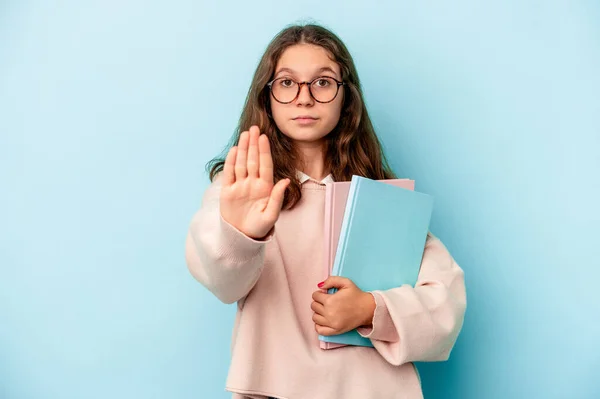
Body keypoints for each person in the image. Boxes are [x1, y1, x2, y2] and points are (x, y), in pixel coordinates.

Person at [185, 23, 467, 399]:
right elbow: (221, 280)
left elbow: (445, 305)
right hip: (274, 389)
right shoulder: (242, 190)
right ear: (266, 97)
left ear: (345, 98)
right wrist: (242, 235)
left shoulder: (383, 200)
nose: (304, 98)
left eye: (322, 82)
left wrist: (370, 309)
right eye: (286, 83)